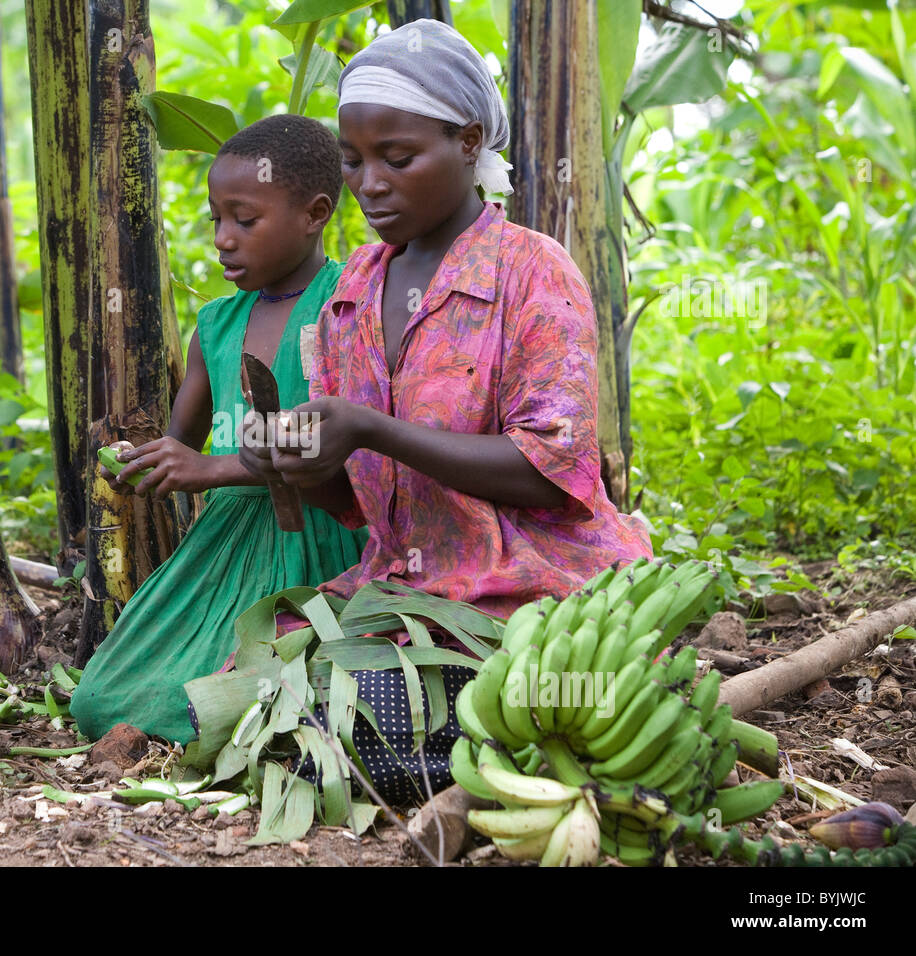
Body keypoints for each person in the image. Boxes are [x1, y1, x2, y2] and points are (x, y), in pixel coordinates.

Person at [237, 20, 653, 801]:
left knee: (353, 727)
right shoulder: (352, 289)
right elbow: (359, 508)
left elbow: (550, 470)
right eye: (354, 162)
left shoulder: (533, 272)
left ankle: (514, 760)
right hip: (402, 599)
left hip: (526, 601)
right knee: (253, 698)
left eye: (398, 160)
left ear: (467, 143)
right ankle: (474, 762)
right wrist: (287, 459)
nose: (370, 183)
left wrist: (370, 428)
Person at [72, 115, 370, 745]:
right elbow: (183, 445)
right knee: (99, 700)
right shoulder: (215, 324)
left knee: (264, 705)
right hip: (222, 544)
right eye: (216, 220)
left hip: (318, 537)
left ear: (315, 214)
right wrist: (140, 461)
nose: (223, 240)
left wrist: (210, 469)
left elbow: (347, 451)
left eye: (245, 220)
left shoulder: (350, 304)